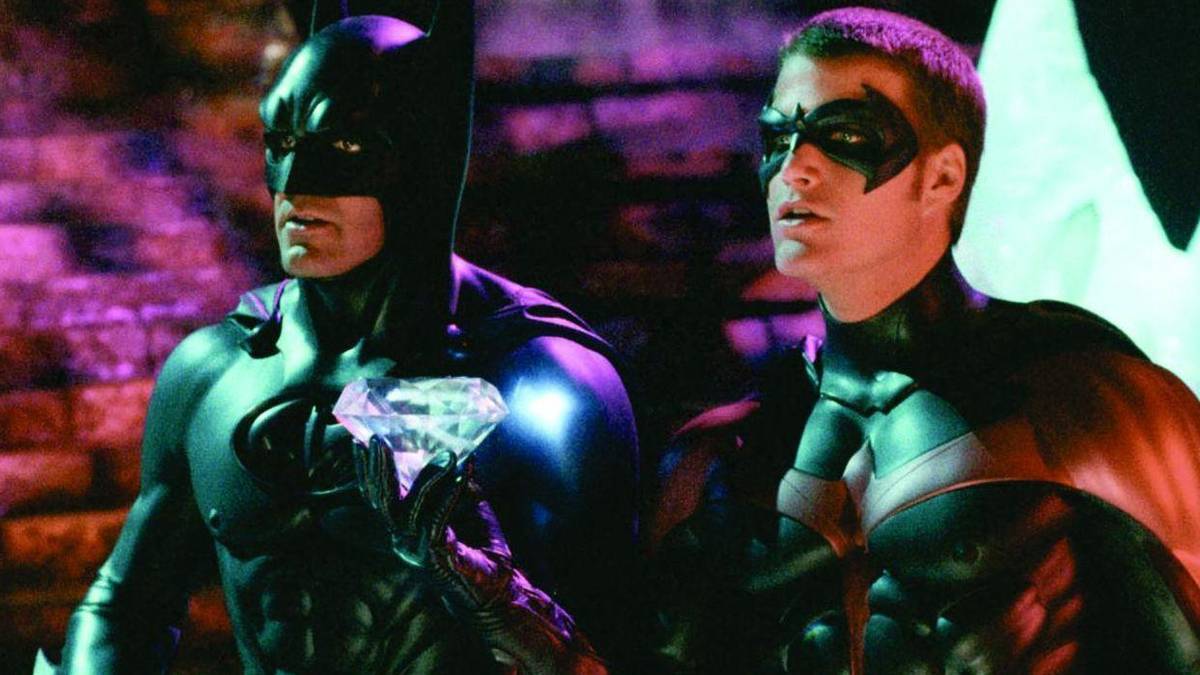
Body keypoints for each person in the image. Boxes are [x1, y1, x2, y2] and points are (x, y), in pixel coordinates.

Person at [43, 2, 638, 673]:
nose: (295, 188)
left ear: (423, 157)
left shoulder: (542, 378)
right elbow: (125, 607)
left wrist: (501, 600)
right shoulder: (215, 371)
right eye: (282, 142)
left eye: (346, 148)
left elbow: (616, 646)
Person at [646, 7, 1200, 673]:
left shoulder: (1085, 398)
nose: (793, 170)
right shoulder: (720, 457)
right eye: (777, 139)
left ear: (942, 176)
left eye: (844, 136)